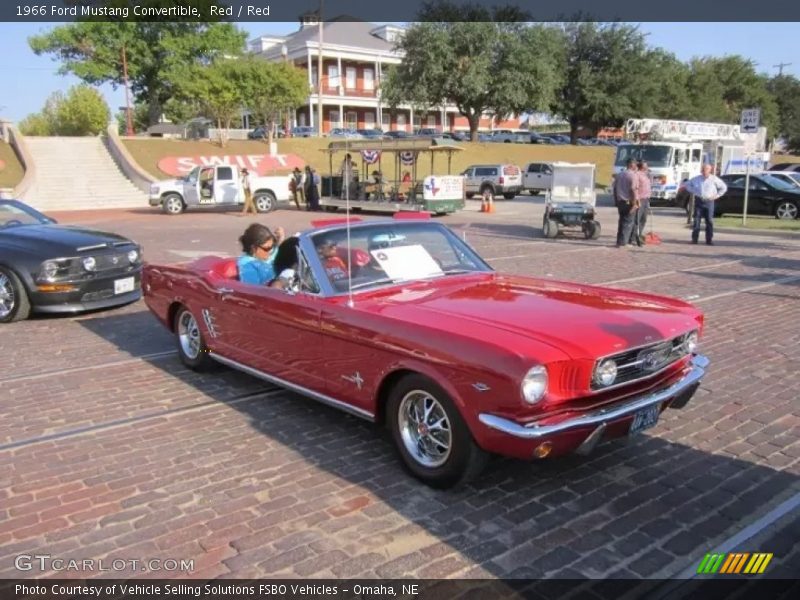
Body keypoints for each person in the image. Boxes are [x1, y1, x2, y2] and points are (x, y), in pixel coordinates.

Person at [683, 163, 727, 245]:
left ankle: (709, 240)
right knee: (696, 220)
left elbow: (724, 188)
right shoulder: (696, 179)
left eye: (707, 169)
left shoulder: (714, 179)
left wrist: (716, 196)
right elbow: (687, 184)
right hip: (699, 201)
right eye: (704, 169)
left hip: (709, 201)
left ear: (710, 170)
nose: (705, 171)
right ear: (701, 170)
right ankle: (694, 239)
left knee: (709, 221)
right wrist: (694, 191)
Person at [614, 159, 640, 248]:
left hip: (620, 201)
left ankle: (619, 241)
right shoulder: (633, 175)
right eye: (636, 164)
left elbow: (614, 188)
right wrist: (634, 203)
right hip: (629, 202)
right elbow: (633, 190)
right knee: (628, 222)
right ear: (632, 165)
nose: (636, 166)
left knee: (621, 222)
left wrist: (616, 201)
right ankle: (623, 243)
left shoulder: (620, 174)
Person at [630, 160, 651, 245]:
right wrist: (637, 200)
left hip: (646, 199)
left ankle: (638, 235)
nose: (647, 167)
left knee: (644, 219)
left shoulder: (645, 175)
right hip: (640, 199)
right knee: (637, 220)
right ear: (641, 166)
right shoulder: (637, 175)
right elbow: (635, 188)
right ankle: (633, 238)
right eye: (645, 165)